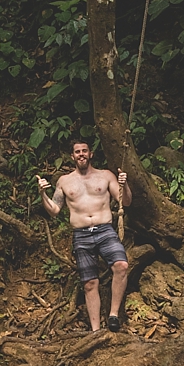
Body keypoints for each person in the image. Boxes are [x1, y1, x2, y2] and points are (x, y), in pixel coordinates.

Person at [37, 140, 132, 332]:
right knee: (89, 283)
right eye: (77, 152)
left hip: (105, 230)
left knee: (121, 266)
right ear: (72, 156)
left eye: (84, 151)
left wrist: (125, 184)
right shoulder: (64, 181)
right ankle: (96, 330)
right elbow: (54, 210)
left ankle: (113, 315)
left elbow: (126, 201)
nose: (81, 154)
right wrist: (42, 195)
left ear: (91, 154)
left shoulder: (105, 176)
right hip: (81, 234)